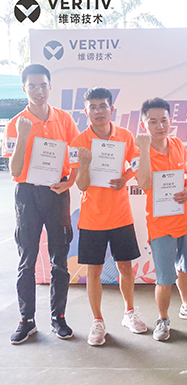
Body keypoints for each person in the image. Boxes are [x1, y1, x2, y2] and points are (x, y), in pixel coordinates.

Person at [4, 64, 79, 344]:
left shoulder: (64, 119)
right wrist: (23, 135)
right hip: (27, 195)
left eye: (43, 85)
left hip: (57, 193)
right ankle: (27, 320)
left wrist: (69, 182)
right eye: (32, 86)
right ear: (24, 88)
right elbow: (14, 170)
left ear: (50, 86)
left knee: (60, 258)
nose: (38, 91)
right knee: (27, 259)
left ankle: (58, 317)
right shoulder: (15, 123)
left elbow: (75, 155)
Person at [71, 87, 146, 346]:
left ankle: (129, 313)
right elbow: (81, 185)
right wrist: (84, 164)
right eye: (93, 107)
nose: (99, 111)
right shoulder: (79, 141)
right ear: (86, 111)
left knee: (125, 266)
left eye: (103, 106)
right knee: (94, 271)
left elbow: (136, 164)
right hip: (92, 218)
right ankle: (97, 321)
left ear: (111, 109)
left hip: (121, 215)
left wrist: (124, 178)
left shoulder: (125, 136)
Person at [135, 97, 187, 342]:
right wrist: (144, 149)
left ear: (170, 120)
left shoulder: (177, 144)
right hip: (160, 226)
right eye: (153, 121)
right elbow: (144, 183)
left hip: (184, 221)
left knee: (185, 269)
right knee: (164, 278)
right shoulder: (140, 152)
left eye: (164, 120)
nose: (160, 126)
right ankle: (163, 319)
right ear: (144, 124)